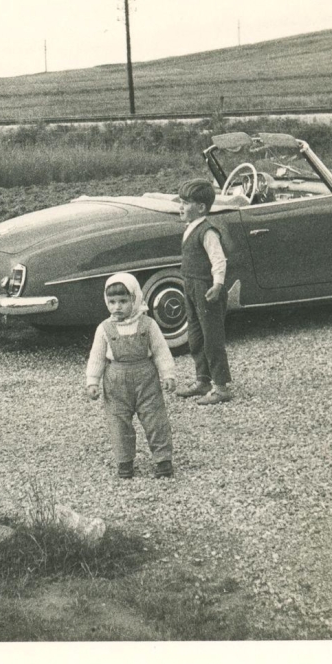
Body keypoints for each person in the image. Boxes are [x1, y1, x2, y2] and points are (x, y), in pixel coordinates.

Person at [85, 273, 177, 479]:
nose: (117, 307)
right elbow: (97, 357)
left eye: (123, 301)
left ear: (135, 299)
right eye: (112, 302)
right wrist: (92, 381)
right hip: (116, 382)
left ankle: (163, 460)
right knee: (118, 423)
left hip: (146, 379)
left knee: (155, 419)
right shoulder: (104, 328)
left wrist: (168, 374)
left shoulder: (148, 325)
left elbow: (161, 351)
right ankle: (124, 462)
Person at [176, 178, 234, 405]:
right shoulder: (191, 228)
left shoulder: (208, 231)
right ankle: (203, 380)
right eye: (180, 201)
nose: (180, 207)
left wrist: (217, 285)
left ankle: (221, 387)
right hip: (191, 285)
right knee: (195, 336)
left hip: (206, 288)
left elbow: (218, 260)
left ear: (200, 207)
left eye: (185, 202)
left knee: (212, 338)